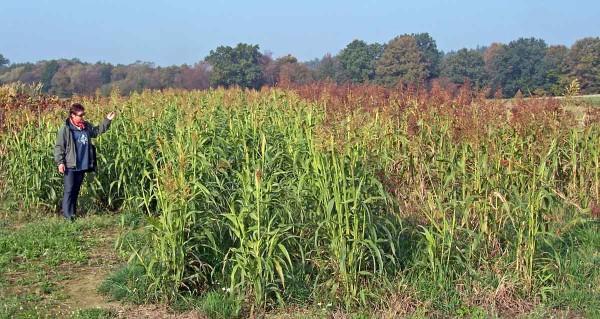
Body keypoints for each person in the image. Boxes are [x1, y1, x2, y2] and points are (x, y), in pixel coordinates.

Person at [53, 103, 116, 221]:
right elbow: (59, 146)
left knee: (76, 190)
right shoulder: (66, 129)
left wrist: (107, 120)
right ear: (72, 115)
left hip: (82, 164)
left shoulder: (85, 126)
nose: (83, 117)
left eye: (83, 115)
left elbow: (96, 132)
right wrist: (60, 162)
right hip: (70, 165)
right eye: (80, 115)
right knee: (69, 190)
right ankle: (67, 216)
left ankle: (73, 213)